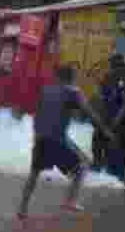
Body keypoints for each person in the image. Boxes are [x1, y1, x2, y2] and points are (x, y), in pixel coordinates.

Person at [18, 66, 111, 218]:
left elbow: (37, 114)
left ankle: (22, 208)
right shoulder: (73, 91)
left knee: (34, 174)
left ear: (57, 76)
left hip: (42, 138)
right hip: (58, 139)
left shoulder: (46, 90)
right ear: (71, 77)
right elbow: (88, 113)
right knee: (83, 165)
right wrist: (104, 130)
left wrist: (36, 135)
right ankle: (70, 201)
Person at [99, 54, 125, 182]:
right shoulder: (123, 77)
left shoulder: (121, 78)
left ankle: (116, 172)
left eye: (112, 65)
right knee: (118, 145)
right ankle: (116, 171)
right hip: (117, 117)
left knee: (116, 145)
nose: (112, 68)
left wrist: (115, 119)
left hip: (117, 117)